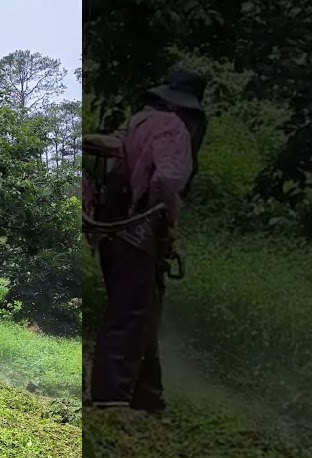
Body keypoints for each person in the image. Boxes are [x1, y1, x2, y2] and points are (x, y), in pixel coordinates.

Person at [88, 68, 208, 414]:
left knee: (143, 308)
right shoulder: (175, 129)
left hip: (111, 228)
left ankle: (147, 394)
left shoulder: (139, 121)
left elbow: (109, 148)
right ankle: (111, 397)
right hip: (139, 227)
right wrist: (165, 220)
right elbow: (167, 180)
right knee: (130, 311)